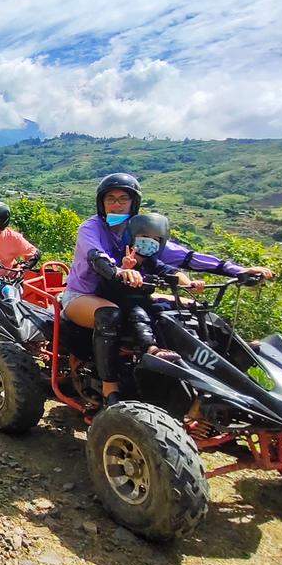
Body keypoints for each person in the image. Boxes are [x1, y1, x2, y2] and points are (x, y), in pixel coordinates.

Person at [61, 173, 148, 406]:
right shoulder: (91, 227)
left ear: (134, 202)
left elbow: (173, 252)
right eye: (110, 199)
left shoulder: (137, 229)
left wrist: (232, 270)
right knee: (109, 316)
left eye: (123, 199)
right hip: (82, 296)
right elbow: (95, 255)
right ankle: (111, 391)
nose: (116, 204)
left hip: (115, 294)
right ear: (102, 203)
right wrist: (118, 271)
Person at [104, 212, 200, 362]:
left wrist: (189, 283)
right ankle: (150, 348)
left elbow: (172, 272)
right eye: (145, 237)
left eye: (155, 239)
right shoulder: (116, 256)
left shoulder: (152, 262)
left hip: (145, 300)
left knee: (175, 308)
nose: (150, 242)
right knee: (138, 313)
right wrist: (124, 268)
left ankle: (199, 346)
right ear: (133, 237)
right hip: (119, 303)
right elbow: (110, 278)